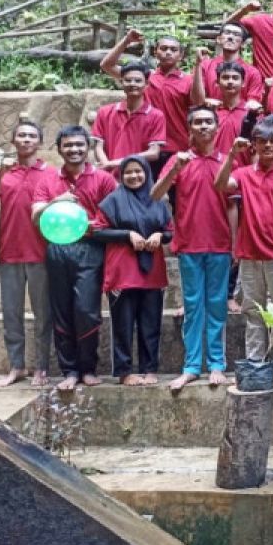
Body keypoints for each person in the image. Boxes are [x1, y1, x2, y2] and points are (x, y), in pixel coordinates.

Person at [31, 125, 117, 390]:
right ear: (59, 149)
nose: (74, 149)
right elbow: (35, 216)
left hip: (90, 248)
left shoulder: (103, 178)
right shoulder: (48, 180)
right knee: (62, 310)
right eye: (68, 145)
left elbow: (116, 213)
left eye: (79, 144)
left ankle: (88, 367)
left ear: (88, 147)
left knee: (86, 310)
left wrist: (93, 224)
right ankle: (69, 370)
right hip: (57, 248)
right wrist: (57, 201)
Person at [215, 121, 273, 388]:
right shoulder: (243, 173)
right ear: (254, 144)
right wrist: (230, 154)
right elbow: (220, 184)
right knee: (253, 311)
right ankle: (255, 363)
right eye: (262, 141)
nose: (268, 146)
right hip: (250, 253)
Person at [154, 106, 233, 390]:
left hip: (220, 245)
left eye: (208, 122)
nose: (203, 126)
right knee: (192, 306)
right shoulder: (179, 159)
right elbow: (155, 194)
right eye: (197, 122)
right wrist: (175, 168)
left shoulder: (228, 160)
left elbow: (234, 205)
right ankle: (191, 366)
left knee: (216, 306)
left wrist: (234, 243)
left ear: (217, 127)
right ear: (190, 129)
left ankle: (216, 364)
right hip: (188, 245)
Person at [0, 119, 52, 387]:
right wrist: (0, 174)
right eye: (21, 135)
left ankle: (42, 368)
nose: (25, 139)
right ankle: (16, 366)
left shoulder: (50, 173)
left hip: (40, 252)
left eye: (31, 136)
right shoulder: (3, 173)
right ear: (13, 141)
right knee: (11, 314)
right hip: (9, 252)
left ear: (39, 142)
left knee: (43, 314)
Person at [96, 157, 171, 386]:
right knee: (123, 324)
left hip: (152, 272)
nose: (134, 176)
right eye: (128, 172)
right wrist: (126, 235)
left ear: (146, 173)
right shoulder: (113, 201)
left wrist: (160, 235)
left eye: (138, 171)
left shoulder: (157, 199)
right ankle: (124, 371)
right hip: (123, 271)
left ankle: (149, 369)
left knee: (151, 324)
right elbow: (98, 231)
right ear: (120, 175)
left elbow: (169, 230)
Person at [100, 29, 193, 169]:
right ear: (156, 52)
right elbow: (107, 65)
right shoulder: (143, 78)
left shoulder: (189, 81)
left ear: (181, 55)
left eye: (173, 49)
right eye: (164, 48)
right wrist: (126, 40)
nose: (168, 52)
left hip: (178, 147)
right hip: (146, 147)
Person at [91, 62, 166, 169]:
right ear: (121, 82)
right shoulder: (105, 112)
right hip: (108, 177)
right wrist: (106, 165)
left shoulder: (156, 116)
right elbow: (98, 146)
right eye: (128, 80)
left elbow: (154, 153)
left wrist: (112, 164)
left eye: (138, 81)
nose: (133, 84)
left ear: (146, 84)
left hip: (139, 177)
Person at [191, 56, 264, 160]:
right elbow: (195, 143)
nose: (230, 81)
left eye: (235, 78)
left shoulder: (253, 114)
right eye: (225, 78)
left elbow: (257, 151)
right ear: (217, 83)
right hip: (213, 170)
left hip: (241, 172)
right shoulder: (208, 114)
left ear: (243, 83)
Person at [197, 23, 264, 102]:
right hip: (209, 113)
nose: (231, 37)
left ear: (243, 44)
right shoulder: (205, 66)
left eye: (236, 34)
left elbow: (253, 102)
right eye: (227, 33)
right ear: (219, 39)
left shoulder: (253, 72)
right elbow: (196, 98)